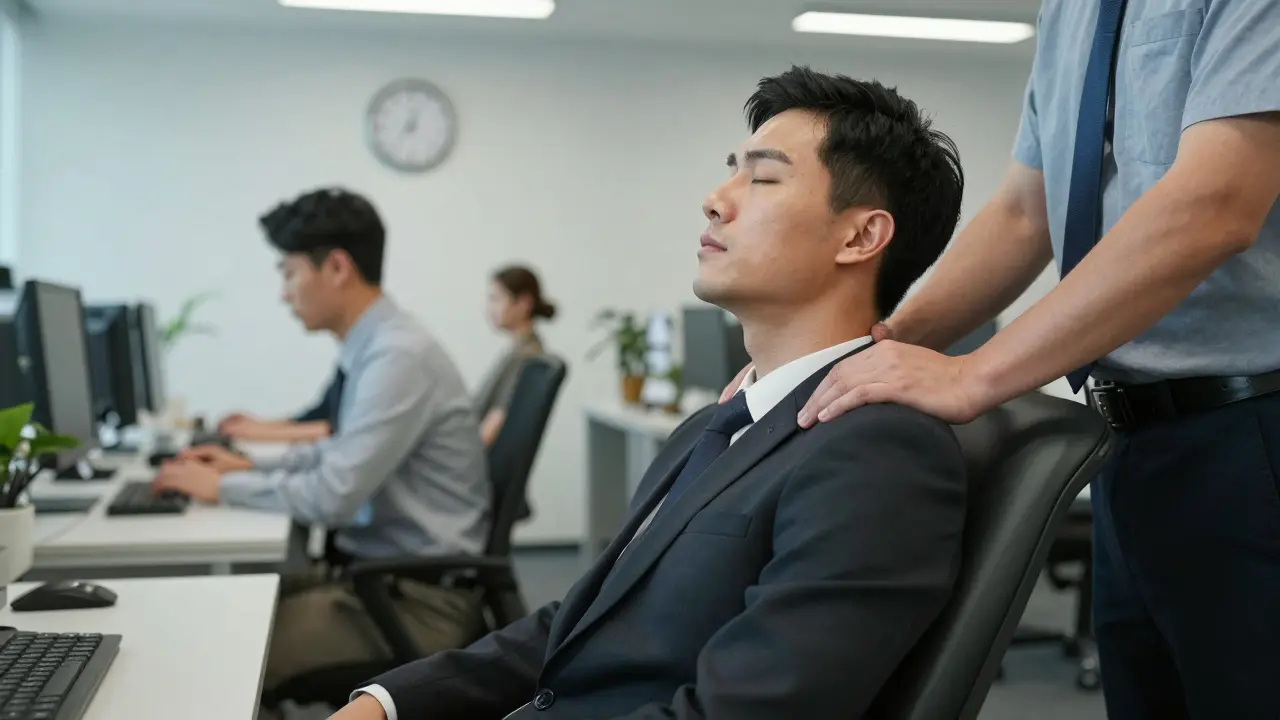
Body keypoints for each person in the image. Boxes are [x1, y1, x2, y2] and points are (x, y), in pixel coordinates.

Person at [327, 66, 967, 720]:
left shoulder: (879, 452)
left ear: (861, 236)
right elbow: (589, 617)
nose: (716, 199)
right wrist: (385, 704)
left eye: (764, 177)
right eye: (731, 171)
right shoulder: (714, 426)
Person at [781, 3, 1280, 717]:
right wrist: (881, 345)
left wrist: (974, 372)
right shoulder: (1072, 10)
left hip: (1252, 431)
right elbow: (1025, 212)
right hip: (1131, 443)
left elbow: (1216, 204)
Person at [152, 187, 492, 706]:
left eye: (288, 273)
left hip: (416, 603)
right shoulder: (377, 348)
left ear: (336, 268)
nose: (283, 293)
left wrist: (223, 485)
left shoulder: (397, 357)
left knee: (218, 661)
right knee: (213, 615)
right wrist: (246, 465)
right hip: (383, 581)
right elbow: (339, 453)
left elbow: (333, 495)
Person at [474, 265, 556, 447]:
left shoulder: (525, 357)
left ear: (523, 303)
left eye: (496, 299)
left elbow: (494, 424)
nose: (490, 309)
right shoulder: (521, 351)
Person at [214, 369, 340, 443]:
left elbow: (338, 432)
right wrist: (258, 425)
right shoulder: (348, 360)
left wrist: (261, 434)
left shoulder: (357, 363)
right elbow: (318, 417)